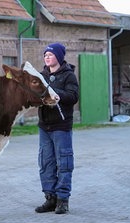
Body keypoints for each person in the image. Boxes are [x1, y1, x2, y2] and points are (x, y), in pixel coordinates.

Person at [35, 43, 79, 214]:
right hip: (44, 127)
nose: (47, 57)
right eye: (45, 54)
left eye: (50, 55)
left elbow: (73, 96)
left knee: (64, 162)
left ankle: (62, 200)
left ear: (59, 57)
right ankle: (50, 198)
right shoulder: (40, 75)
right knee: (46, 163)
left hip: (61, 126)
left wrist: (57, 94)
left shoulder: (69, 76)